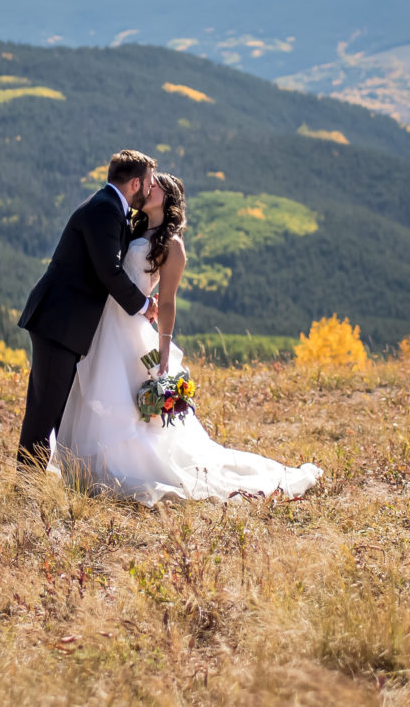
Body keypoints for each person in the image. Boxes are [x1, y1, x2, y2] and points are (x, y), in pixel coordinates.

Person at [53, 172, 324, 504]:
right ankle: (80, 467)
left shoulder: (172, 245)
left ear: (170, 200)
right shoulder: (132, 227)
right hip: (102, 323)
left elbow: (166, 301)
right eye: (150, 183)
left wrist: (164, 348)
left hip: (127, 328)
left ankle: (120, 468)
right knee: (93, 391)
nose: (149, 187)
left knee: (122, 404)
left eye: (157, 186)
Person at [16, 149, 158, 469]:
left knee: (58, 409)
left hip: (65, 324)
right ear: (135, 183)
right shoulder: (104, 209)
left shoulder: (109, 208)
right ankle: (27, 485)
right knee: (45, 408)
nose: (150, 189)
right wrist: (144, 304)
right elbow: (109, 271)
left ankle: (48, 479)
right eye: (148, 183)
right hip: (58, 322)